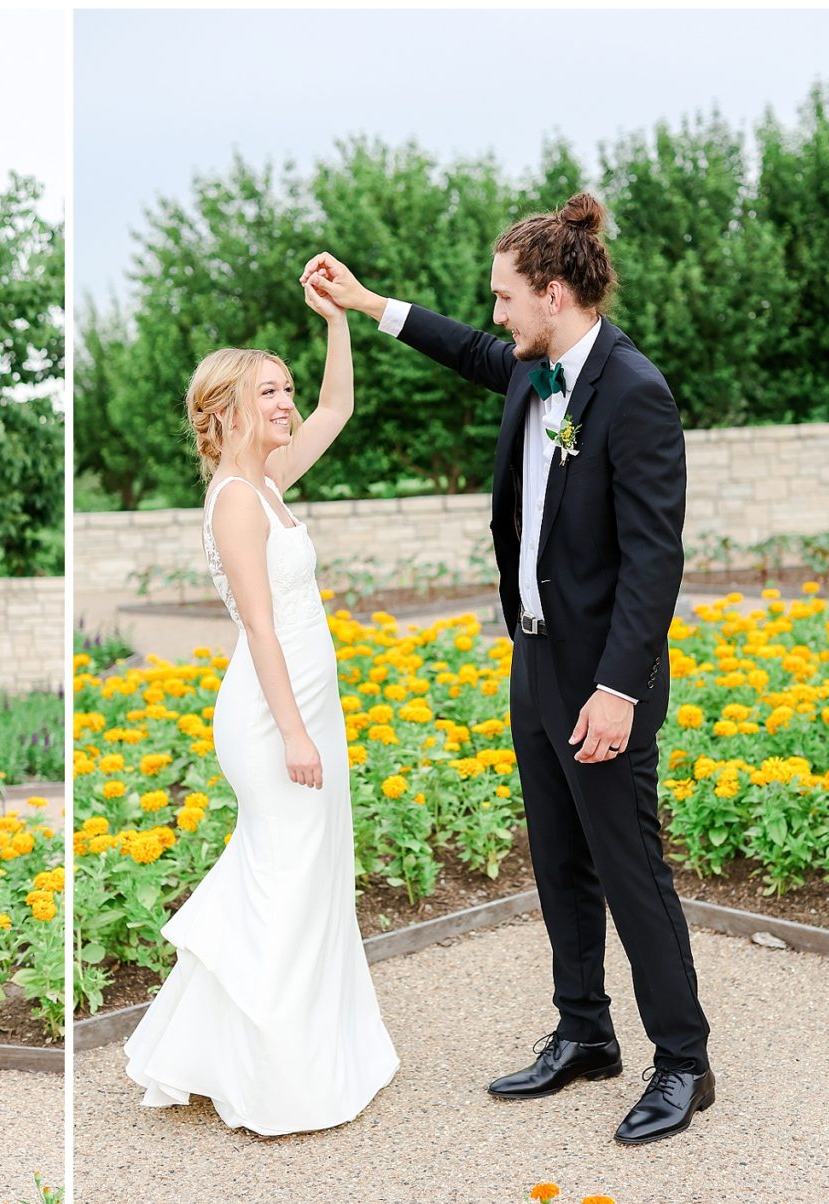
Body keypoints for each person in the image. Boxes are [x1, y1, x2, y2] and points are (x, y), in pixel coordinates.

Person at [300, 191, 714, 1146]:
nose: (495, 316)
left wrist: (615, 690)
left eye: (503, 299)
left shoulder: (635, 393)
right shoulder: (535, 370)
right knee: (559, 862)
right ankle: (584, 1033)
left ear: (555, 294)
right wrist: (369, 306)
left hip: (605, 679)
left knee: (630, 866)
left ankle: (685, 1061)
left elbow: (656, 562)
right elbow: (470, 352)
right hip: (535, 661)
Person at [121, 267, 400, 1135]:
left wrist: (339, 321)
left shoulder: (273, 478)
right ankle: (273, 1075)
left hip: (311, 706)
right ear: (229, 412)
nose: (287, 403)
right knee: (282, 877)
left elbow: (338, 410)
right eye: (270, 392)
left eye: (285, 388)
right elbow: (262, 627)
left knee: (307, 877)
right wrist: (293, 732)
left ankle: (274, 1047)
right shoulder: (237, 500)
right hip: (272, 714)